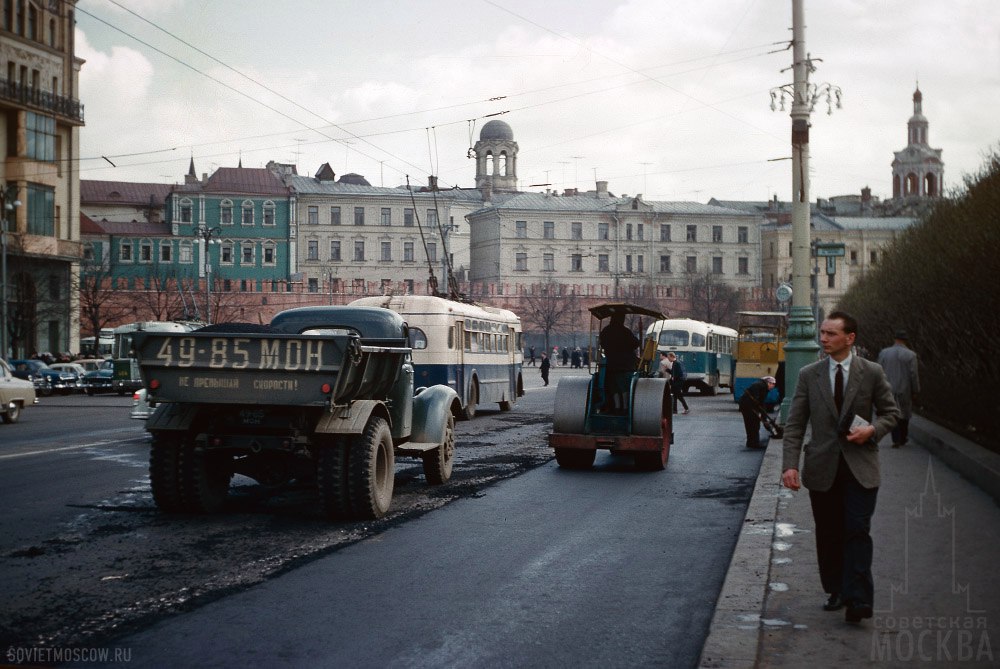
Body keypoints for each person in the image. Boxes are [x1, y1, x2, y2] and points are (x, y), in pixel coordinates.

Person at [781, 311, 900, 624]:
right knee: (830, 533)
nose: (823, 339)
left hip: (861, 466)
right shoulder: (809, 374)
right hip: (822, 467)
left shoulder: (871, 372)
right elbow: (795, 424)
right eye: (822, 333)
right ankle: (836, 589)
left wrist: (872, 430)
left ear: (850, 338)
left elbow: (891, 413)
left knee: (857, 530)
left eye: (831, 334)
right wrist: (790, 466)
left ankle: (859, 598)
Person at [877, 330, 920, 448]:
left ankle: (896, 438)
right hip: (904, 388)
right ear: (905, 340)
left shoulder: (884, 353)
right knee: (905, 413)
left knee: (892, 413)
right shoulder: (911, 355)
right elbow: (913, 374)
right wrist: (915, 390)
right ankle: (903, 437)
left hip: (887, 388)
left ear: (894, 339)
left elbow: (878, 371)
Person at [599, 312, 639, 412]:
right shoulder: (625, 331)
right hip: (626, 366)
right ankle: (625, 407)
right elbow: (635, 343)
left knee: (614, 388)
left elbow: (602, 344)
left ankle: (616, 407)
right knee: (625, 388)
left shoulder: (606, 331)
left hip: (611, 365)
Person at [739, 376, 776, 449]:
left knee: (751, 424)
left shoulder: (762, 386)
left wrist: (764, 418)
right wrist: (763, 418)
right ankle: (753, 443)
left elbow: (761, 403)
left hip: (746, 405)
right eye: (772, 384)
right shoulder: (760, 386)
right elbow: (759, 401)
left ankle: (752, 442)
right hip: (748, 406)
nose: (773, 386)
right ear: (768, 383)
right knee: (753, 424)